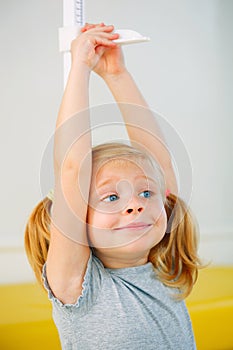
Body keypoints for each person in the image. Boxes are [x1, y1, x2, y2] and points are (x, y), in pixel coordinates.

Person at [25, 23, 201, 349]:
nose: (135, 204)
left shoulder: (165, 269)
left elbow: (160, 165)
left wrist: (116, 74)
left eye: (146, 193)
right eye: (110, 197)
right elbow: (72, 169)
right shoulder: (78, 287)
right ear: (77, 214)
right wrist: (80, 68)